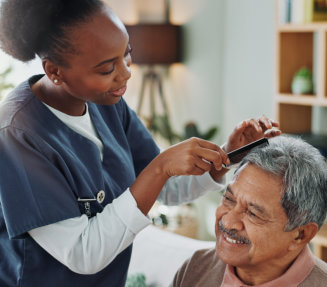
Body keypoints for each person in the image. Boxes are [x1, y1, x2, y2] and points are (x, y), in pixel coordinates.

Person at [0, 0, 280, 286]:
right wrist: (159, 168)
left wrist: (226, 156)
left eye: (127, 54)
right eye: (107, 68)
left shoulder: (107, 104)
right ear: (55, 71)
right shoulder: (17, 134)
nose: (125, 74)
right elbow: (83, 254)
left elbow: (167, 189)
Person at [172, 135, 327, 287]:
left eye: (253, 213)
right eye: (228, 199)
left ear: (301, 235)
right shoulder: (196, 267)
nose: (227, 221)